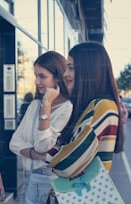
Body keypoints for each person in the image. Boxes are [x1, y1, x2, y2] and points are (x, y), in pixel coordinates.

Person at [46, 42, 124, 179]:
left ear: (89, 70)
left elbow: (65, 166)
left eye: (71, 68)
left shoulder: (102, 107)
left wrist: (42, 154)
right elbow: (58, 154)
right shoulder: (90, 107)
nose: (65, 74)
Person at [9, 51, 73, 204]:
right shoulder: (34, 105)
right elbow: (14, 144)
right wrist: (37, 155)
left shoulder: (66, 108)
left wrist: (47, 105)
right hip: (29, 176)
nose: (37, 81)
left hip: (47, 180)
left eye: (42, 76)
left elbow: (43, 145)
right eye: (36, 76)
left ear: (57, 78)